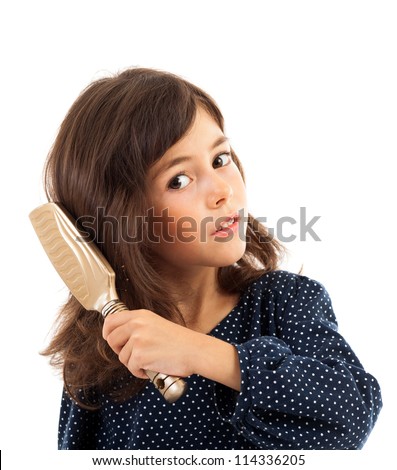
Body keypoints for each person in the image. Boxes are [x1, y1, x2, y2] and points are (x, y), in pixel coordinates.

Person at [42, 67, 382, 450]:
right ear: (124, 218)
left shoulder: (284, 304)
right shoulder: (107, 352)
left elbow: (352, 415)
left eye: (220, 159)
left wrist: (198, 352)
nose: (222, 190)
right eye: (179, 180)